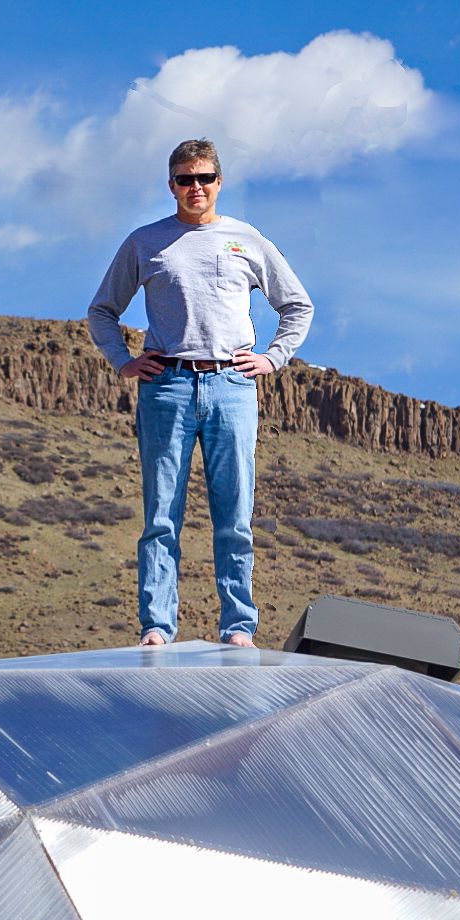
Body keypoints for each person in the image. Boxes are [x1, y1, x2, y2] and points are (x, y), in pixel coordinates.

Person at [88, 139, 313, 647]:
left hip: (231, 385)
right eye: (185, 179)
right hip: (165, 385)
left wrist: (272, 358)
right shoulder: (146, 242)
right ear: (171, 185)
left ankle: (238, 626)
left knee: (234, 513)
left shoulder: (246, 239)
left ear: (219, 182)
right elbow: (102, 309)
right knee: (161, 514)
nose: (195, 187)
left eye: (204, 178)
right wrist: (124, 361)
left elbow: (297, 305)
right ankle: (157, 626)